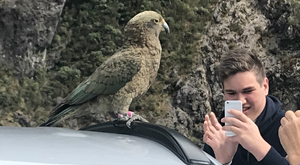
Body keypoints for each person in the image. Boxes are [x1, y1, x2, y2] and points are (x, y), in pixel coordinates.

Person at [203, 48, 289, 165]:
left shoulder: (288, 129)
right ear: (223, 91)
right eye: (231, 93)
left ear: (264, 86)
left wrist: (259, 147)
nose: (241, 100)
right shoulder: (219, 133)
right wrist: (223, 162)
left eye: (248, 91)